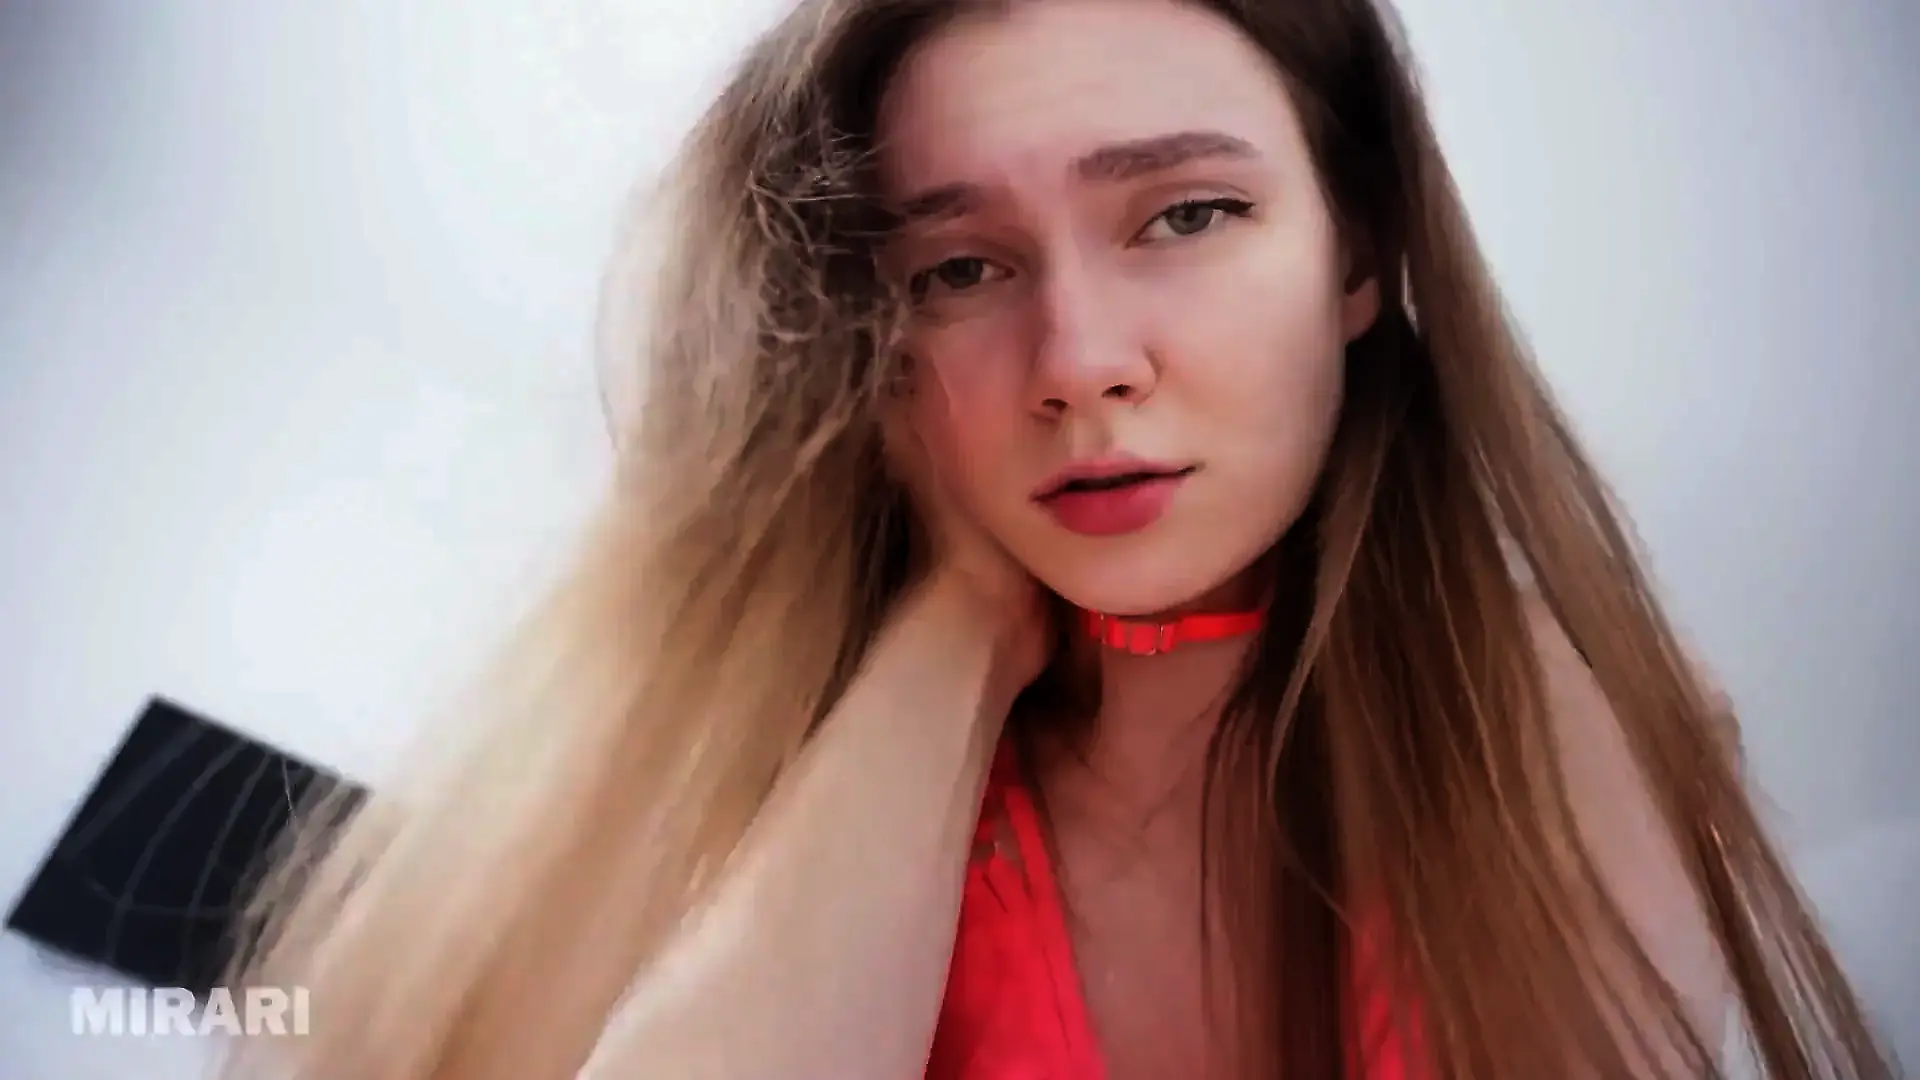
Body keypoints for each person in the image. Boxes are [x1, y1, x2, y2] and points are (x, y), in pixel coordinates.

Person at [221, 1, 1897, 1078]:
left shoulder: (1567, 720)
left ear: (1359, 257)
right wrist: (963, 620)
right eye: (959, 269)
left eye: (1187, 213)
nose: (1079, 359)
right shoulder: (787, 777)